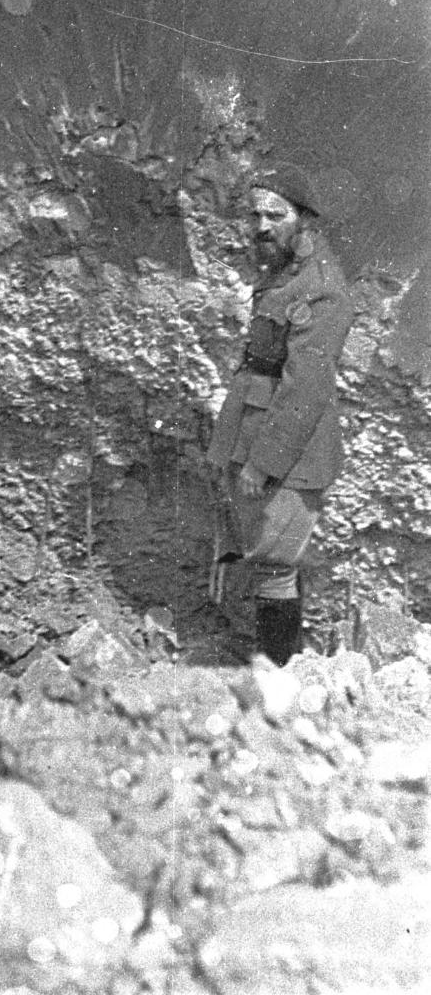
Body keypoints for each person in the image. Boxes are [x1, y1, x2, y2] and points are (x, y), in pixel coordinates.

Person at [206, 165, 354, 665]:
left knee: (275, 564)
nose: (262, 226)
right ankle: (268, 666)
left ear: (305, 221)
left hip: (293, 452)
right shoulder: (283, 273)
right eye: (256, 214)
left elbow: (304, 393)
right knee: (267, 559)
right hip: (258, 433)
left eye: (276, 214)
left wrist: (261, 465)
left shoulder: (322, 289)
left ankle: (277, 673)